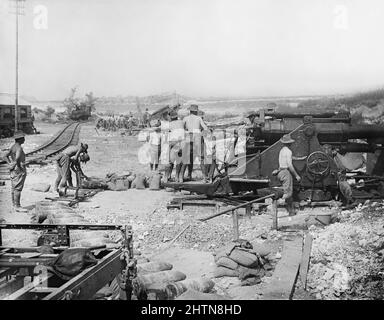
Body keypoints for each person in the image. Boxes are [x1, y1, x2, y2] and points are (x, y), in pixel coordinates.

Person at [273, 134, 301, 216]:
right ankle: (275, 206)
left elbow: (282, 163)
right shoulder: (289, 151)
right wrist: (296, 175)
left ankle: (291, 212)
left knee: (287, 192)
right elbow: (289, 165)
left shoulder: (282, 150)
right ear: (290, 143)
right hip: (286, 173)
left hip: (281, 172)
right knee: (288, 193)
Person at [180, 104, 208, 182]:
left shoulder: (185, 118)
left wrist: (186, 132)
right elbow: (205, 128)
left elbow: (181, 128)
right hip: (197, 136)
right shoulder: (199, 118)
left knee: (187, 158)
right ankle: (205, 178)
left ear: (190, 111)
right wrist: (201, 132)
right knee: (200, 158)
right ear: (196, 111)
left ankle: (181, 177)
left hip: (189, 136)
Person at [4, 130, 28, 212]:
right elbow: (17, 158)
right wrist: (19, 166)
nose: (24, 139)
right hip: (18, 168)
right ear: (20, 139)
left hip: (13, 169)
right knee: (18, 188)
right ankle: (17, 206)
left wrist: (10, 163)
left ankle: (14, 205)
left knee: (14, 187)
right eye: (23, 138)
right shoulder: (19, 148)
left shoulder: (13, 146)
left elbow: (5, 156)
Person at [165, 110, 184, 182]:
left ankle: (166, 177)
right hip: (182, 143)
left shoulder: (170, 124)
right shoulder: (181, 122)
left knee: (170, 161)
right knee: (179, 161)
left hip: (173, 143)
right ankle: (177, 177)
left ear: (171, 117)